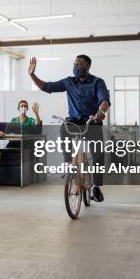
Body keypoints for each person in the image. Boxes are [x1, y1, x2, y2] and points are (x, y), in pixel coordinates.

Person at [28, 54, 111, 202]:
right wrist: (32, 75)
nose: (75, 67)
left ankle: (96, 187)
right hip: (74, 121)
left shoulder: (97, 82)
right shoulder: (69, 82)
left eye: (79, 64)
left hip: (92, 122)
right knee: (64, 128)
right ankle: (68, 165)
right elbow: (47, 86)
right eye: (74, 64)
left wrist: (101, 112)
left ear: (87, 66)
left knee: (98, 154)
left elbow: (104, 100)